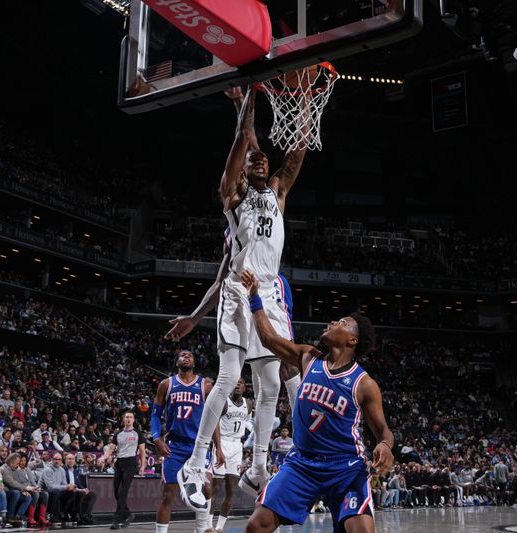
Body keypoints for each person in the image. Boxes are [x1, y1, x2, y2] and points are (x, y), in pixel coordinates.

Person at [178, 86, 307, 511]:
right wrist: (248, 98)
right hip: (238, 289)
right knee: (231, 377)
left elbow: (293, 156)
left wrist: (305, 108)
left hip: (268, 291)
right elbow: (242, 141)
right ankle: (195, 463)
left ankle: (258, 466)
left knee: (270, 384)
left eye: (263, 157)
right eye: (253, 158)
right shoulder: (233, 199)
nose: (260, 158)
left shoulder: (276, 193)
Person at [240, 269, 394, 533]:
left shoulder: (364, 384)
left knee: (362, 531)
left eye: (342, 322)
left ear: (352, 340)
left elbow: (383, 431)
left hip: (345, 467)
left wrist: (385, 446)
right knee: (257, 525)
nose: (333, 322)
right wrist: (254, 296)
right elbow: (268, 339)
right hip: (303, 463)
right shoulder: (308, 358)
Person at [152, 351, 224, 533]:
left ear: (194, 362)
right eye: (182, 355)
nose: (186, 357)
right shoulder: (166, 384)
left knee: (207, 490)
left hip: (199, 446)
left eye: (190, 355)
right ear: (176, 361)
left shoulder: (205, 385)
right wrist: (156, 438)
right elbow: (155, 414)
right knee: (168, 494)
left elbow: (213, 419)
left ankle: (200, 529)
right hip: (174, 446)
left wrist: (219, 448)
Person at [210, 378, 252, 533]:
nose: (237, 385)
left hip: (237, 446)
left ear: (244, 387)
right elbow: (214, 424)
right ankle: (207, 524)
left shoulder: (248, 404)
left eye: (240, 383)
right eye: (234, 383)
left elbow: (247, 422)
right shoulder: (224, 402)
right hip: (223, 443)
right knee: (214, 487)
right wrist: (218, 448)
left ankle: (219, 527)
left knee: (231, 490)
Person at [98, 412, 146, 529]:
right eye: (126, 417)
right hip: (119, 463)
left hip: (130, 463)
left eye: (130, 417)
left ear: (134, 419)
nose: (128, 419)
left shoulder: (138, 433)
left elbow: (142, 451)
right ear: (123, 419)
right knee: (116, 492)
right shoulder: (118, 433)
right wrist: (103, 457)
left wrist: (143, 466)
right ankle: (128, 514)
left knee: (122, 492)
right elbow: (111, 449)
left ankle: (117, 520)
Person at [0, 453, 32, 526]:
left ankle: (18, 516)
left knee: (28, 497)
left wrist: (23, 491)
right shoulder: (3, 469)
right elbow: (12, 483)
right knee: (16, 493)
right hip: (4, 492)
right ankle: (10, 517)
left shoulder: (14, 469)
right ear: (11, 463)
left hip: (13, 491)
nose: (18, 465)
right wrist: (25, 488)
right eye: (17, 463)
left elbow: (17, 483)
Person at [18, 452, 50, 527]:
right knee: (35, 494)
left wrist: (36, 488)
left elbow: (32, 482)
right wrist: (29, 488)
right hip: (23, 489)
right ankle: (30, 517)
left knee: (45, 493)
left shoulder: (27, 469)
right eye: (21, 461)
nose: (23, 462)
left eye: (24, 460)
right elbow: (18, 483)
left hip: (31, 488)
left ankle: (42, 517)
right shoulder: (16, 470)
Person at [64, 453, 96, 525]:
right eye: (69, 459)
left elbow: (79, 484)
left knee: (92, 495)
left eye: (72, 459)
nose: (71, 461)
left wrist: (84, 489)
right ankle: (79, 515)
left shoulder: (75, 471)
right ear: (65, 460)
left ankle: (86, 515)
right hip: (67, 490)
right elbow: (63, 483)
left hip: (77, 490)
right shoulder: (63, 470)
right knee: (80, 493)